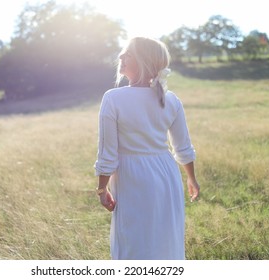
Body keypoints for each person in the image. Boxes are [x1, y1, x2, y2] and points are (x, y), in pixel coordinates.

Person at [94, 37, 200, 260]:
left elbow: (108, 154)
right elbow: (183, 149)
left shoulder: (113, 98)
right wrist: (191, 179)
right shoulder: (171, 100)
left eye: (128, 54)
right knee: (165, 241)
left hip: (133, 177)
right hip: (167, 176)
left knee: (133, 243)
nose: (121, 57)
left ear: (144, 61)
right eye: (122, 52)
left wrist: (102, 190)